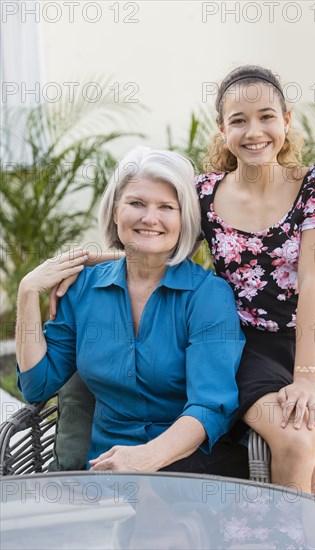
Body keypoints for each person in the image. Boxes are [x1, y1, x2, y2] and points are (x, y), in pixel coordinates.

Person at [16, 147, 248, 476]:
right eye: (136, 203)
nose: (149, 218)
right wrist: (27, 293)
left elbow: (210, 406)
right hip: (104, 470)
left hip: (188, 470)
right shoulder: (83, 288)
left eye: (166, 207)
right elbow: (36, 386)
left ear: (185, 220)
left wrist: (144, 459)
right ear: (114, 212)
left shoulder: (207, 296)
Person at [194, 65, 315, 498]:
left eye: (266, 116)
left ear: (286, 120)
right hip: (247, 348)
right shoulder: (204, 193)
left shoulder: (314, 185)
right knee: (293, 443)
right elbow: (158, 248)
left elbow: (312, 284)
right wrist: (83, 265)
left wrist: (306, 378)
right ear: (222, 129)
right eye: (239, 120)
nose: (254, 131)